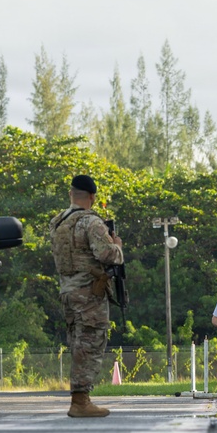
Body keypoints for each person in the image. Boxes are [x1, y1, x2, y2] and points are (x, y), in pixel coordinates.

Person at [49, 175, 123, 418]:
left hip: (67, 291)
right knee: (90, 343)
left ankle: (80, 399)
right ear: (92, 197)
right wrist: (117, 246)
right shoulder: (91, 223)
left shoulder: (58, 222)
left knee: (78, 342)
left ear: (71, 194)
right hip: (89, 293)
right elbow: (107, 255)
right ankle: (80, 401)